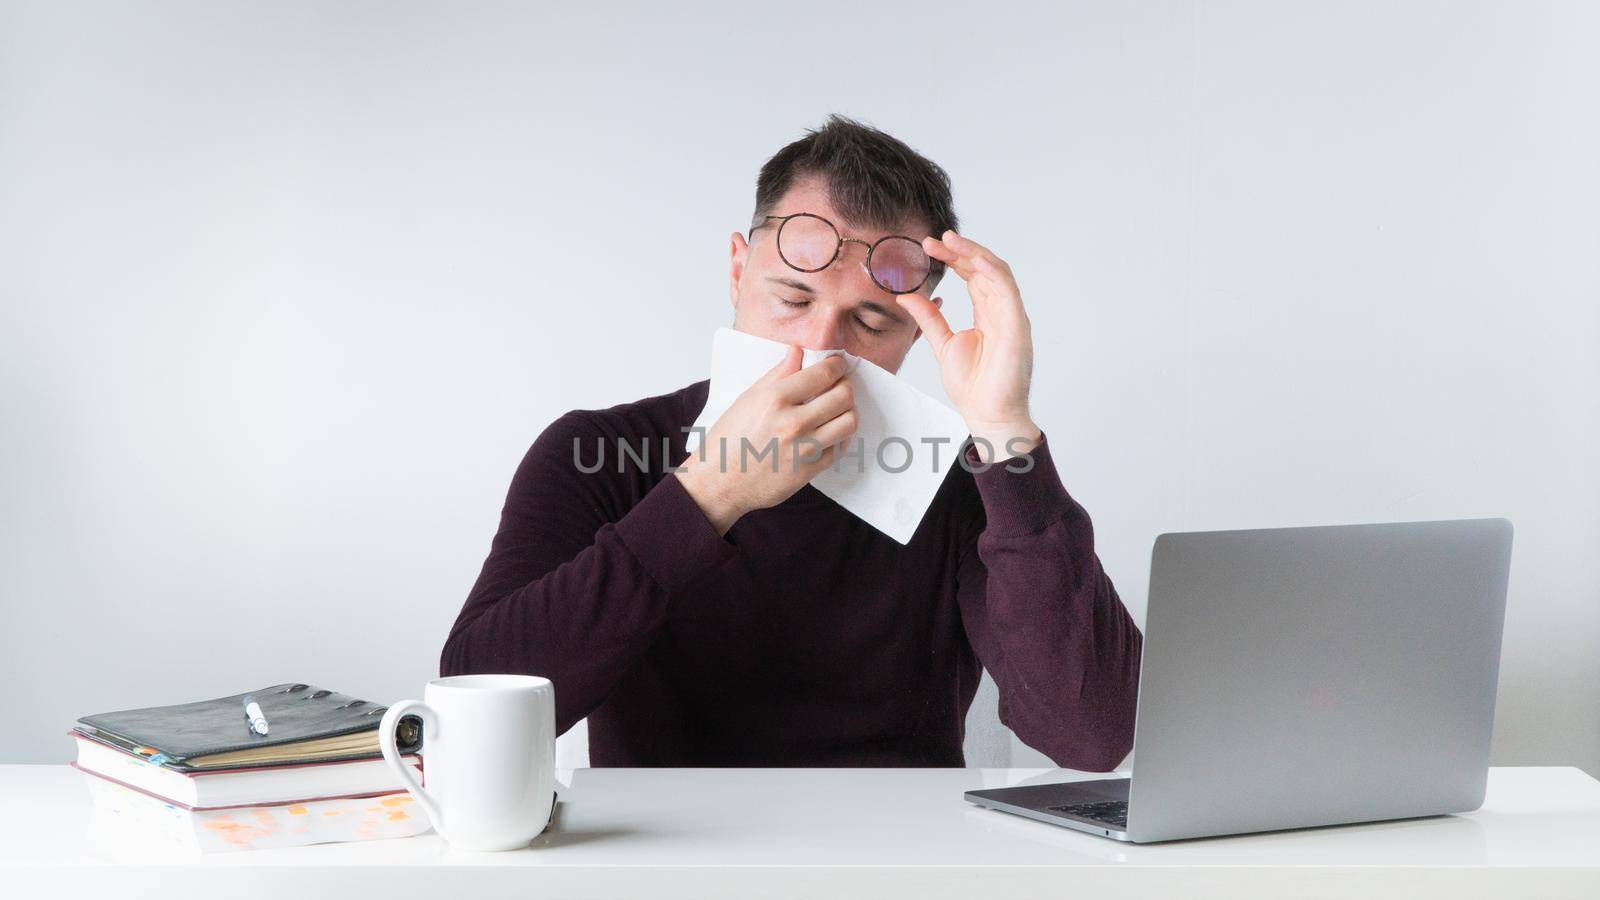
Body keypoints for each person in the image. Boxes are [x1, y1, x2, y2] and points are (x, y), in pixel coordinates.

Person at [440, 114, 1142, 768]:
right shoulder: (597, 453)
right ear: (739, 270)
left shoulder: (960, 482)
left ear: (918, 331)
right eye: (794, 301)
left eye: (871, 321)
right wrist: (709, 493)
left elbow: (1095, 732)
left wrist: (1006, 432)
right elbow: (476, 706)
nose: (821, 350)